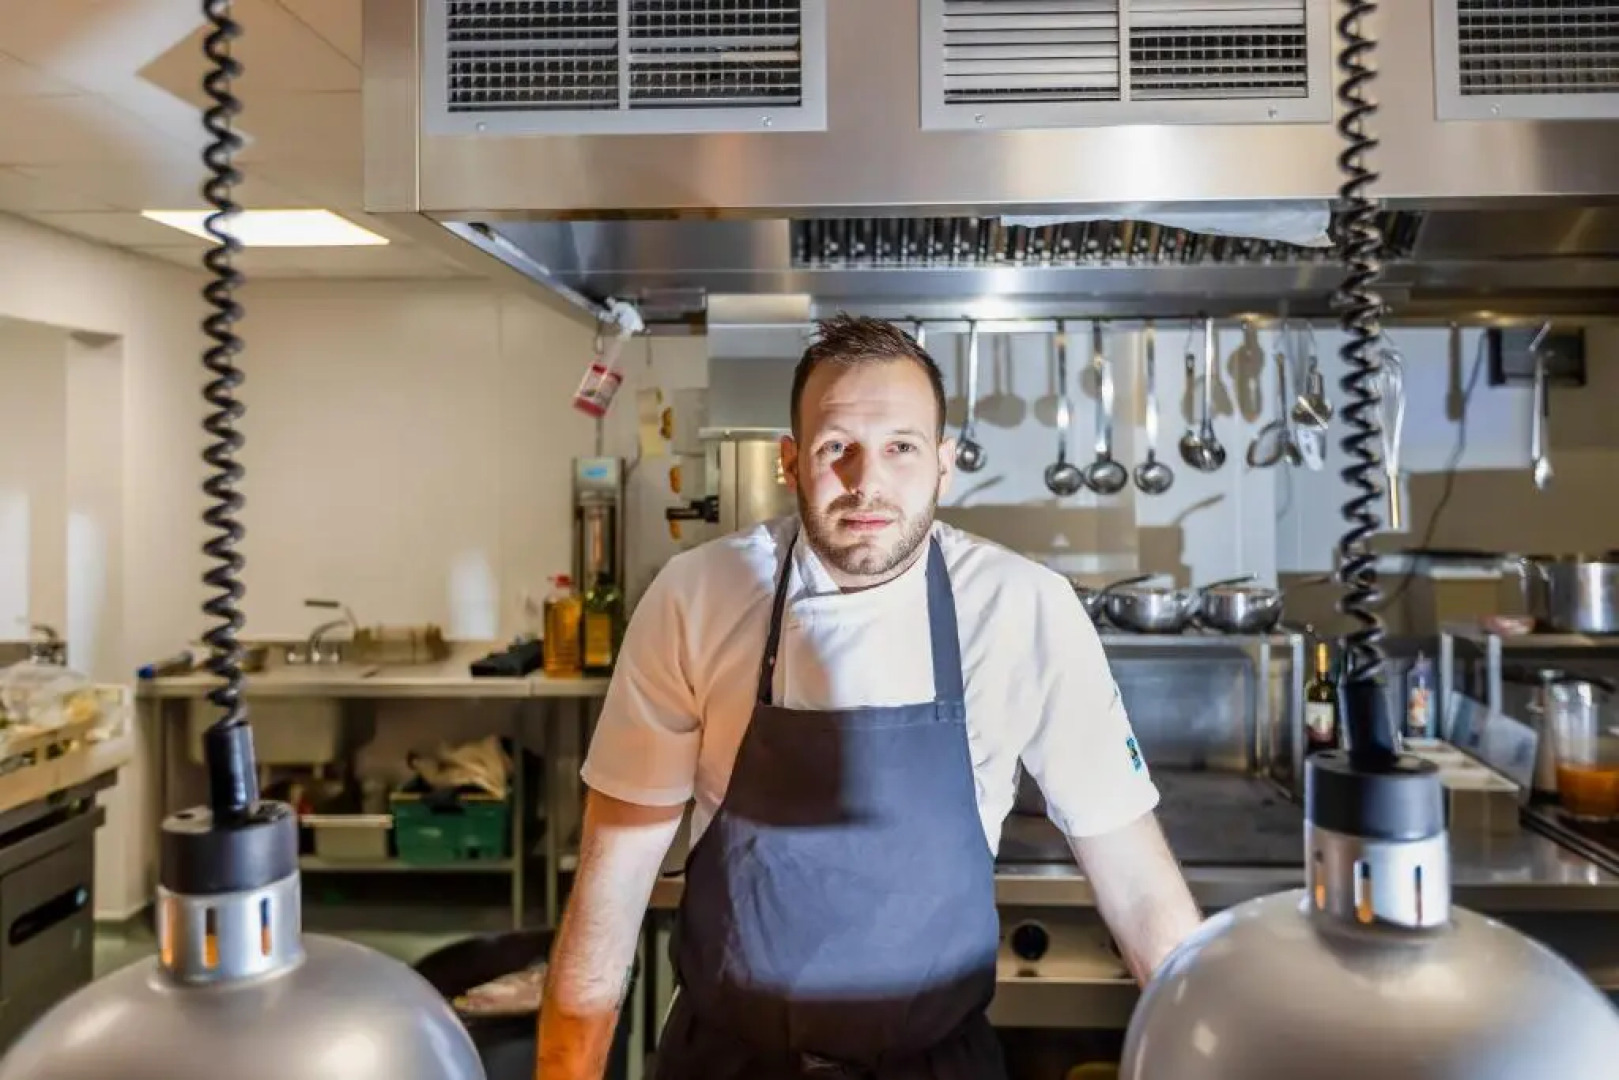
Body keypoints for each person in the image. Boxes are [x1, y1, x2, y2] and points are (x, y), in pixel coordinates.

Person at [536, 314, 1203, 1079]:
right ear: (790, 461)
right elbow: (611, 889)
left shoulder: (1023, 609)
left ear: (943, 465)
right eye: (836, 448)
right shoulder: (695, 598)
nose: (866, 483)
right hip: (728, 1062)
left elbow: (1140, 891)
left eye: (900, 448)